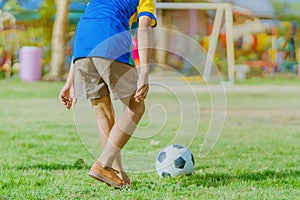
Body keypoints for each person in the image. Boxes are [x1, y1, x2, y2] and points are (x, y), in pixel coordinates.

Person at [59, 0, 156, 188]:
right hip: (109, 40)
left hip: (81, 48)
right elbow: (144, 29)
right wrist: (143, 71)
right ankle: (102, 164)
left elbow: (89, 22)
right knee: (136, 106)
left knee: (104, 115)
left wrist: (69, 81)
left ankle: (114, 172)